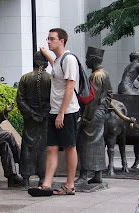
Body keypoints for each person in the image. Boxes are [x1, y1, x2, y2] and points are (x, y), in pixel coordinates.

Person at [28, 28, 80, 196]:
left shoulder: (69, 59)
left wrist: (61, 113)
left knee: (69, 147)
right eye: (48, 38)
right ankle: (46, 184)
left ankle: (70, 185)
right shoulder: (58, 60)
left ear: (62, 41)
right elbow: (56, 68)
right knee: (51, 148)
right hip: (55, 111)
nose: (48, 41)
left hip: (67, 112)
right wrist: (46, 53)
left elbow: (70, 86)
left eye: (52, 39)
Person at [75, 47, 113, 185]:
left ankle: (83, 175)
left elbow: (92, 99)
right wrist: (103, 108)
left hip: (93, 114)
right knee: (97, 143)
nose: (86, 61)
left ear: (94, 59)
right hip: (100, 112)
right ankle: (98, 174)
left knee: (84, 143)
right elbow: (109, 94)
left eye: (88, 58)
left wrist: (86, 117)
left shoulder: (97, 76)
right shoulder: (105, 73)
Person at [16, 51, 51, 188]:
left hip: (30, 119)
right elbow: (54, 99)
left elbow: (20, 99)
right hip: (45, 119)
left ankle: (25, 177)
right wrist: (44, 113)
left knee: (28, 146)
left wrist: (31, 114)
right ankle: (43, 178)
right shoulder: (50, 78)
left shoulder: (25, 78)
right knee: (44, 147)